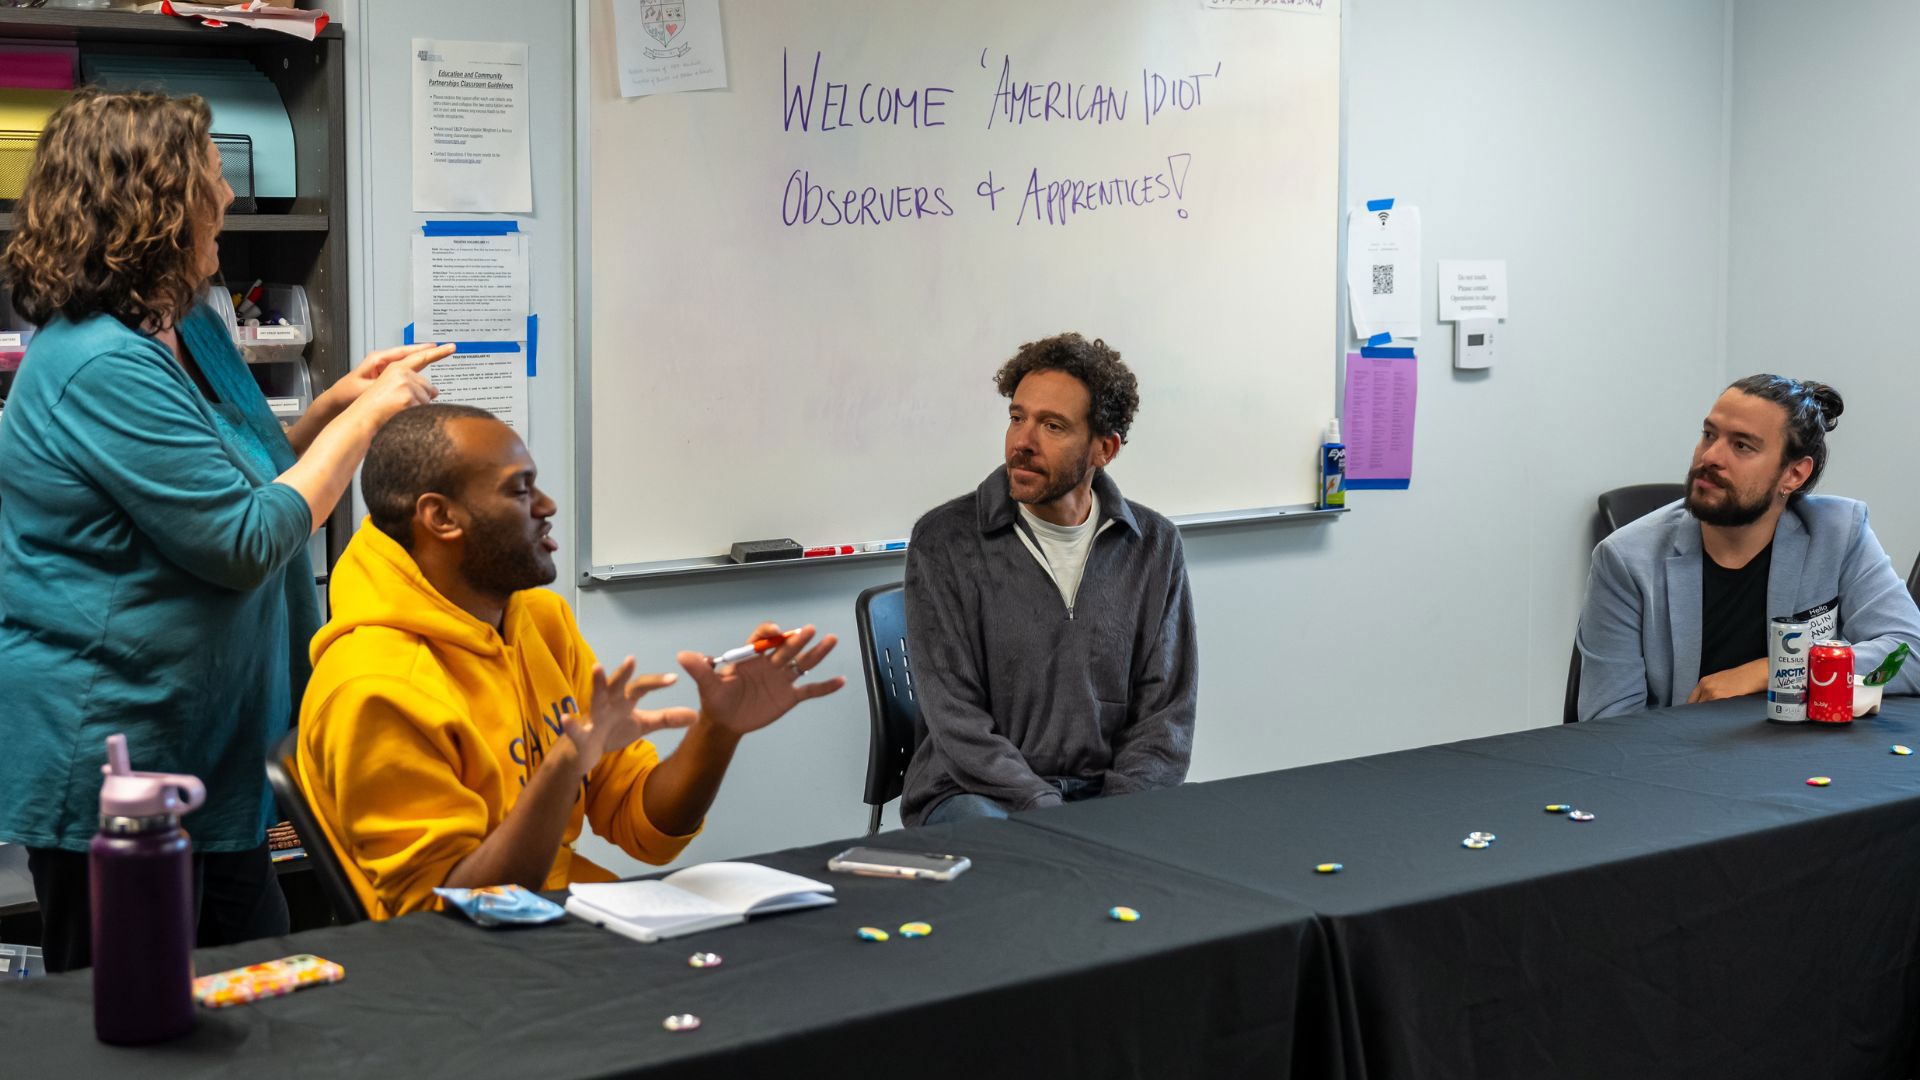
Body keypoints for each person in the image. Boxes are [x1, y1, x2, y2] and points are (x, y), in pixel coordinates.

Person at [0, 89, 449, 971]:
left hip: (216, 747)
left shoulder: (189, 326)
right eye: (211, 178)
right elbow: (242, 538)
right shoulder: (95, 362)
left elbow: (241, 466)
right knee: (130, 1022)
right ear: (157, 205)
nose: (231, 196)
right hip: (120, 762)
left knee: (263, 995)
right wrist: (370, 426)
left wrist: (330, 409)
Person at [296, 405, 844, 919]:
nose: (547, 507)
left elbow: (642, 827)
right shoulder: (374, 685)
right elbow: (448, 917)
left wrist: (718, 730)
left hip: (565, 916)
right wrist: (563, 765)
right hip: (471, 971)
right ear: (440, 517)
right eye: (520, 490)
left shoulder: (538, 620)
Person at [899, 332, 1197, 826]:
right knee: (1021, 866)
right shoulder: (944, 541)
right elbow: (957, 722)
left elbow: (1165, 718)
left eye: (1052, 426)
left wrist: (1120, 813)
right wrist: (1047, 812)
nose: (1022, 442)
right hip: (975, 793)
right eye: (1018, 418)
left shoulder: (1155, 546)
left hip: (1105, 794)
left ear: (1104, 448)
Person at [1575, 374, 1920, 721]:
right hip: (1680, 761)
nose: (1710, 456)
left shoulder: (1838, 532)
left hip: (1803, 758)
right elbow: (1608, 724)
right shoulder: (1624, 558)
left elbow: (1911, 652)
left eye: (1742, 446)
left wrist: (1773, 670)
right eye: (1709, 434)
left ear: (1794, 475)